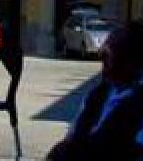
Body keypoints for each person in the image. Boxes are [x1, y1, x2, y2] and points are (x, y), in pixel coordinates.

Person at [48, 20, 143, 160]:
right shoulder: (99, 94)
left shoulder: (137, 104)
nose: (103, 66)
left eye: (108, 58)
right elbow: (71, 138)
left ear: (131, 62)